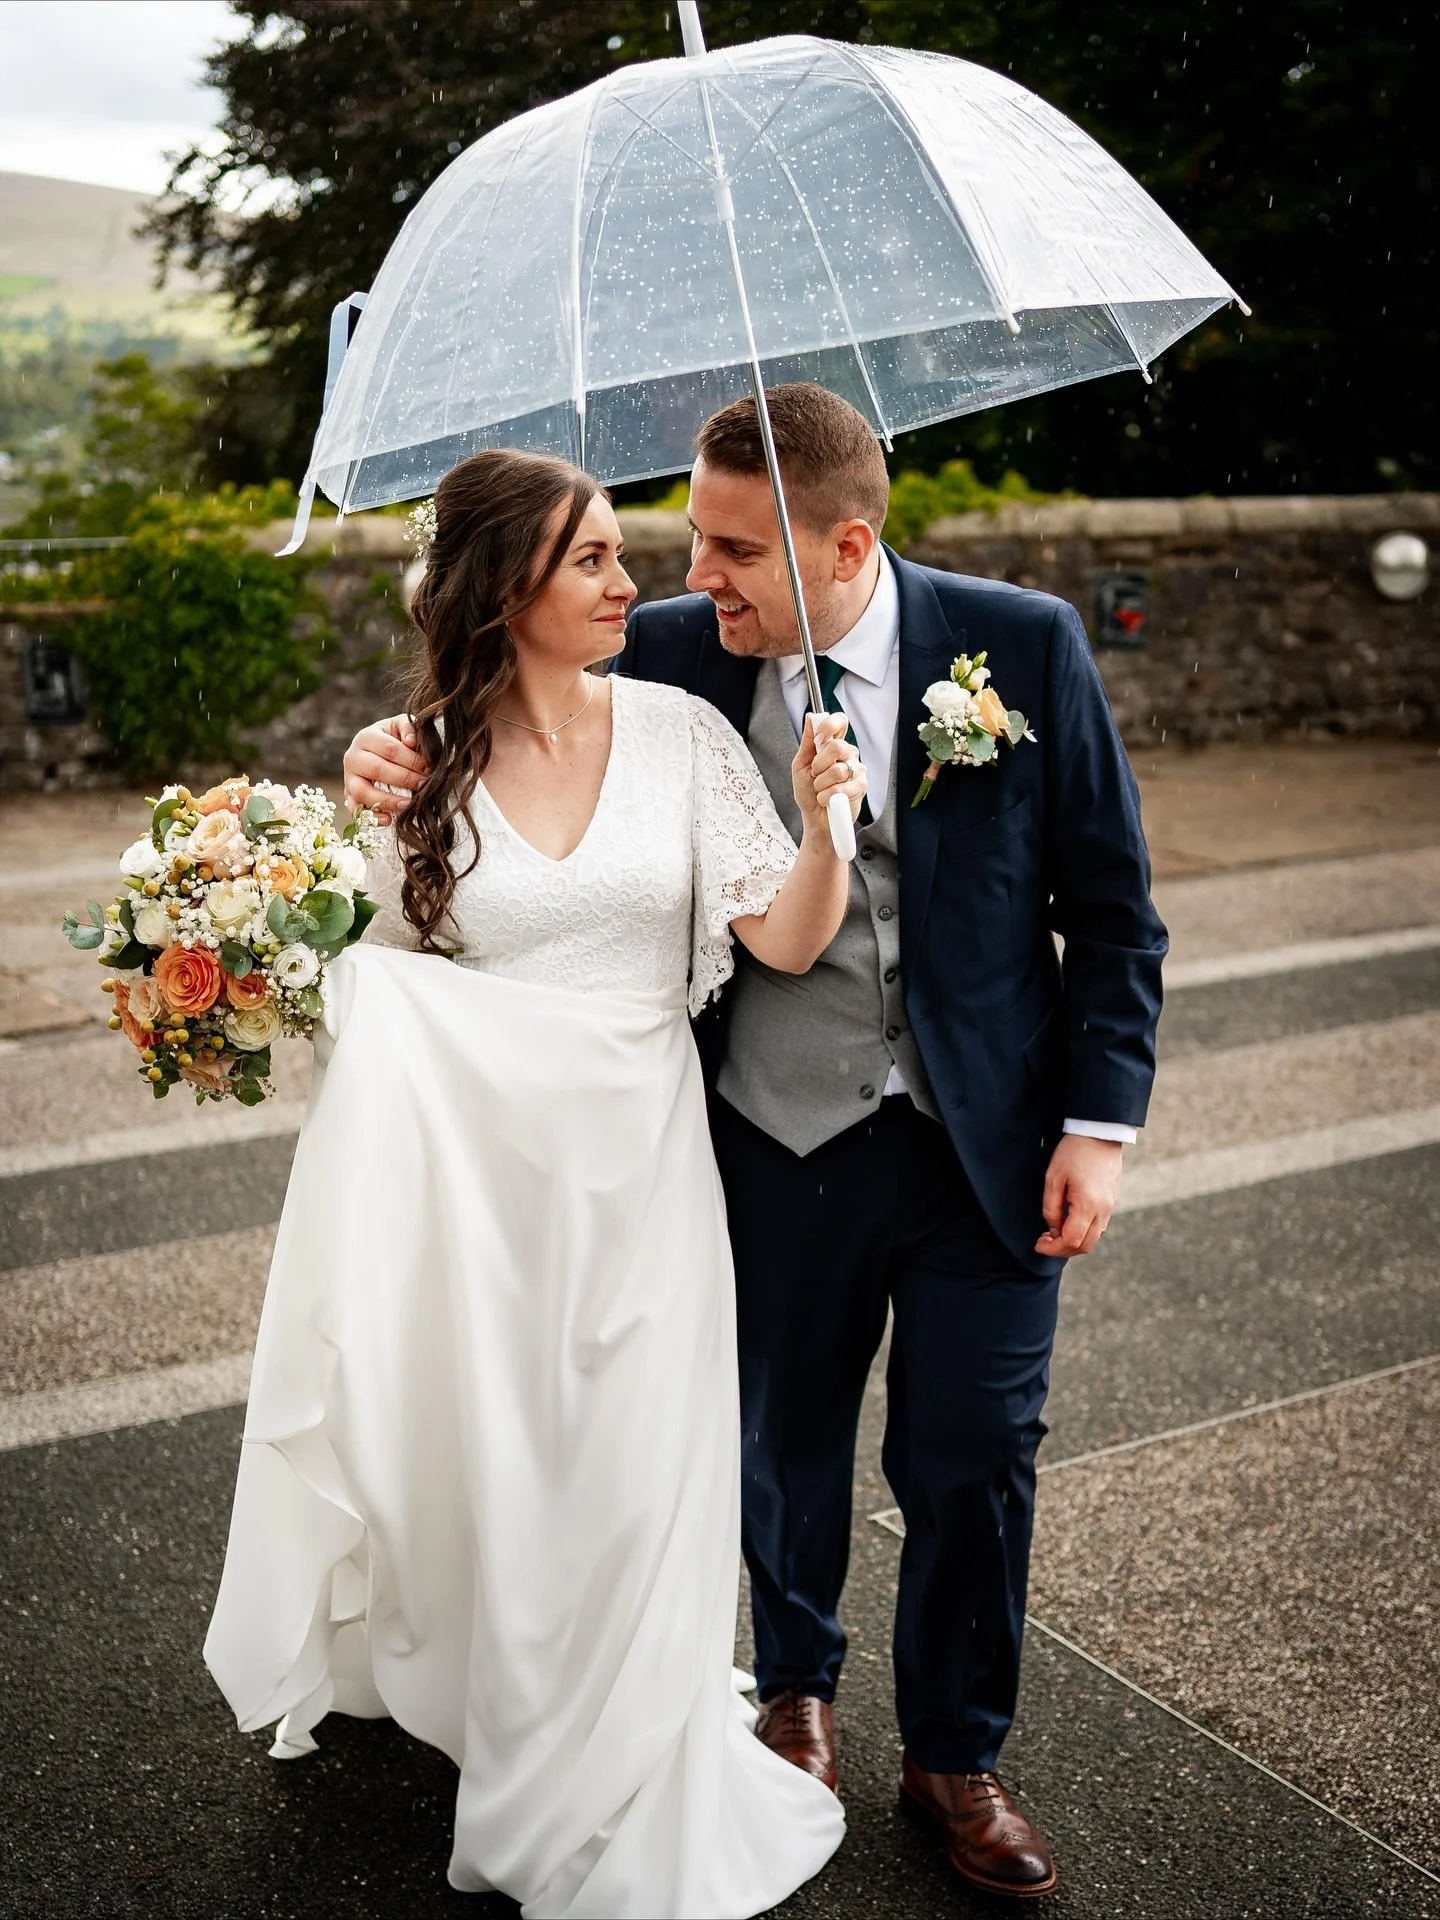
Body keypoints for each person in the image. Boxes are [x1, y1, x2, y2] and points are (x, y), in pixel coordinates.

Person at [345, 385, 1168, 1903]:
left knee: (976, 1454)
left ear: (845, 542)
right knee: (781, 1447)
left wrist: (1100, 1130)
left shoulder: (1025, 645)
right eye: (686, 545)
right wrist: (381, 754)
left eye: (730, 550)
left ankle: (957, 1755)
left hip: (989, 1138)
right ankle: (794, 1691)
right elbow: (490, 701)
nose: (688, 579)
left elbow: (1111, 913)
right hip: (774, 1137)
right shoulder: (660, 656)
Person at [208, 448, 864, 1918]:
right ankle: (512, 1694)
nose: (629, 584)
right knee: (515, 1476)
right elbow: (361, 972)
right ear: (506, 587)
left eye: (628, 555)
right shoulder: (419, 760)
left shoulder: (689, 737)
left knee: (640, 1469)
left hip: (643, 1166)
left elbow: (789, 943)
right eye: (591, 561)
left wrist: (827, 820)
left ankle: (626, 1751)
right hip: (486, 1201)